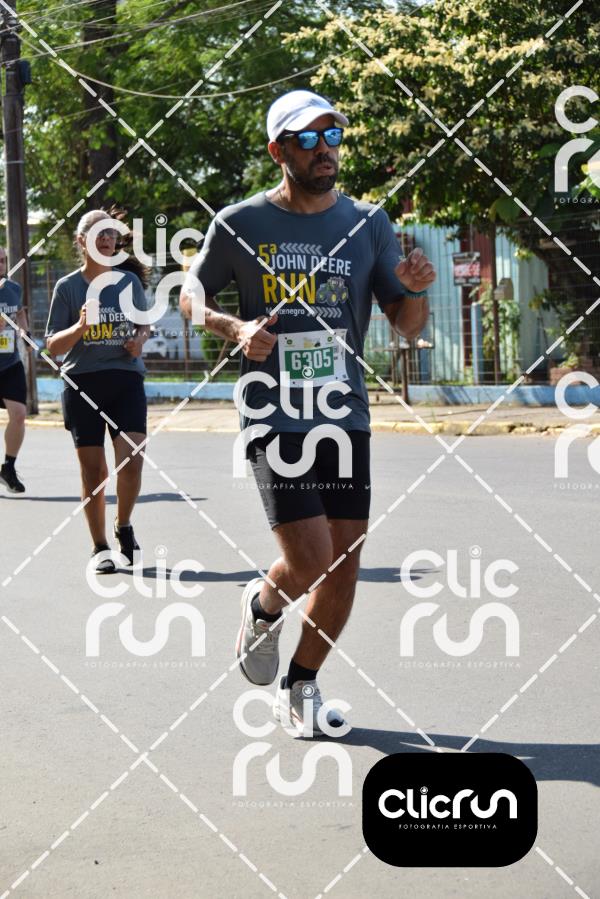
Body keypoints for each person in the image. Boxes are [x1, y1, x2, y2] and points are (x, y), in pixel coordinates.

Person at [181, 90, 436, 736]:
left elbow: (406, 325)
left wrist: (414, 291)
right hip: (273, 414)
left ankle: (301, 684)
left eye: (333, 136)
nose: (325, 150)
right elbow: (190, 294)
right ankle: (266, 602)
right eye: (308, 138)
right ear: (279, 151)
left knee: (344, 563)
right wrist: (234, 328)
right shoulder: (240, 222)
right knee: (312, 558)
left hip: (343, 415)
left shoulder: (368, 223)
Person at [45, 210, 151, 573]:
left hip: (125, 379)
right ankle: (100, 547)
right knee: (94, 472)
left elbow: (143, 325)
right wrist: (79, 327)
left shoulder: (128, 283)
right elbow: (53, 346)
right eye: (96, 233)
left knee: (132, 460)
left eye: (110, 233)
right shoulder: (68, 288)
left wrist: (139, 341)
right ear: (81, 241)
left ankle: (124, 524)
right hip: (82, 384)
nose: (105, 239)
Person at [0, 245, 30, 494]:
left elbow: (19, 312)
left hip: (10, 363)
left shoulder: (13, 288)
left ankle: (8, 468)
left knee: (19, 414)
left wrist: (24, 332)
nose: (0, 265)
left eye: (2, 260)